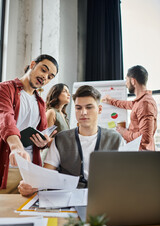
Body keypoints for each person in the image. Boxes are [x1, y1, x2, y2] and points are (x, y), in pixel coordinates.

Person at [18, 85, 122, 196]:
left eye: (89, 107)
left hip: (104, 198)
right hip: (67, 200)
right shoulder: (61, 139)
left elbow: (125, 175)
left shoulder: (115, 139)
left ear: (99, 109)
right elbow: (46, 175)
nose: (83, 112)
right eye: (78, 108)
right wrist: (31, 184)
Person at [0, 54, 58, 193]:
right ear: (32, 65)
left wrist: (43, 142)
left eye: (50, 76)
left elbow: (41, 132)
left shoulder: (40, 102)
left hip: (30, 171)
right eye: (43, 70)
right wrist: (16, 147)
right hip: (8, 167)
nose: (45, 77)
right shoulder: (6, 89)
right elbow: (5, 118)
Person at [102, 65, 157, 150]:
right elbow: (128, 104)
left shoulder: (145, 103)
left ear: (133, 81)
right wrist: (111, 101)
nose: (126, 84)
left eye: (126, 80)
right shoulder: (141, 101)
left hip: (142, 156)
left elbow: (145, 138)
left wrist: (124, 133)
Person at [41, 83, 70, 162]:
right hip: (50, 157)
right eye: (65, 91)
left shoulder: (63, 115)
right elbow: (46, 139)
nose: (69, 94)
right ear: (56, 94)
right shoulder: (51, 112)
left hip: (60, 156)